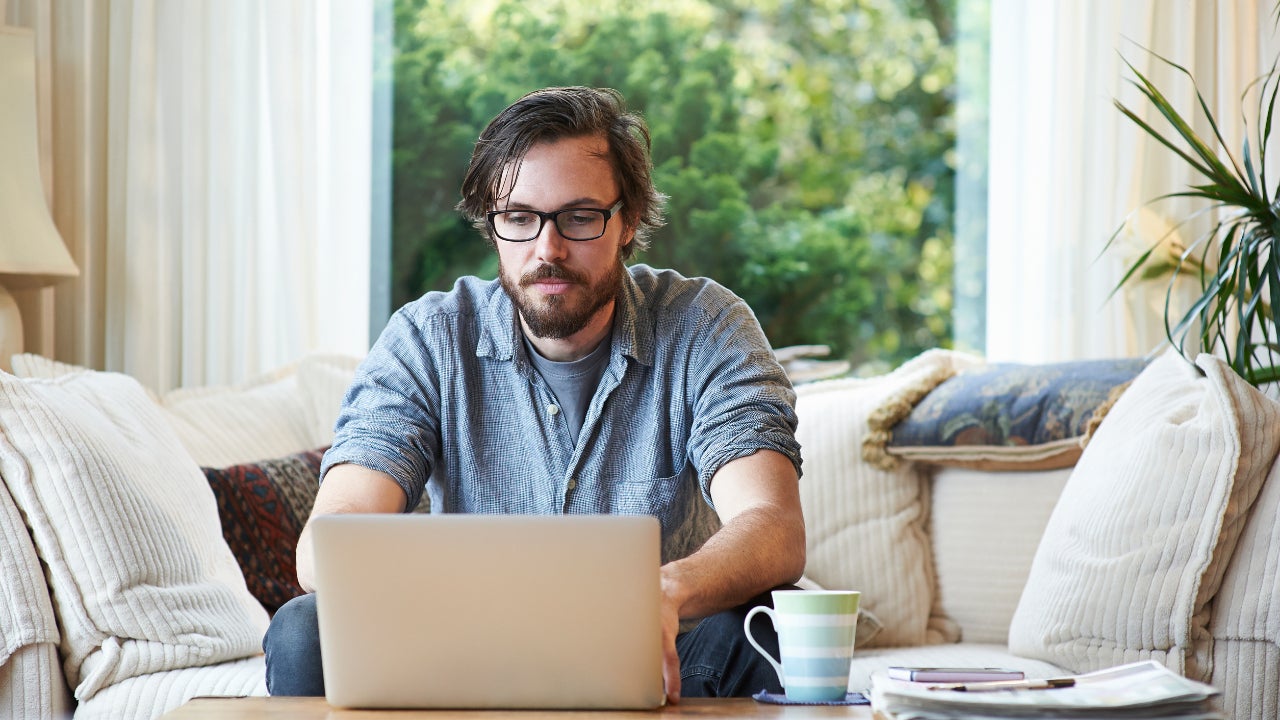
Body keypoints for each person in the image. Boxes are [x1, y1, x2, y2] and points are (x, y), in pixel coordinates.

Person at [262, 86, 806, 704]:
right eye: (520, 219)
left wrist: (664, 591)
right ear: (493, 228)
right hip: (461, 653)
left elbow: (772, 525)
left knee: (766, 629)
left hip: (669, 656)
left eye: (579, 217)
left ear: (626, 222)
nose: (547, 250)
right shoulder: (429, 338)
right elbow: (338, 531)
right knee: (305, 630)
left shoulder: (705, 325)